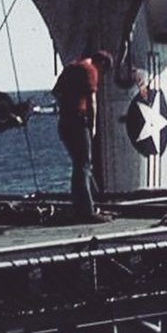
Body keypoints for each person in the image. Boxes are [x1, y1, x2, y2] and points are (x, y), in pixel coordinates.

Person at [52, 51, 112, 224]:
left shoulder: (71, 68)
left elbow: (56, 92)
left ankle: (91, 202)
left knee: (81, 165)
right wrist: (92, 126)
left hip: (65, 122)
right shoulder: (90, 69)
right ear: (101, 63)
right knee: (84, 165)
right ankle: (86, 211)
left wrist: (67, 104)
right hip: (79, 121)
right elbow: (92, 100)